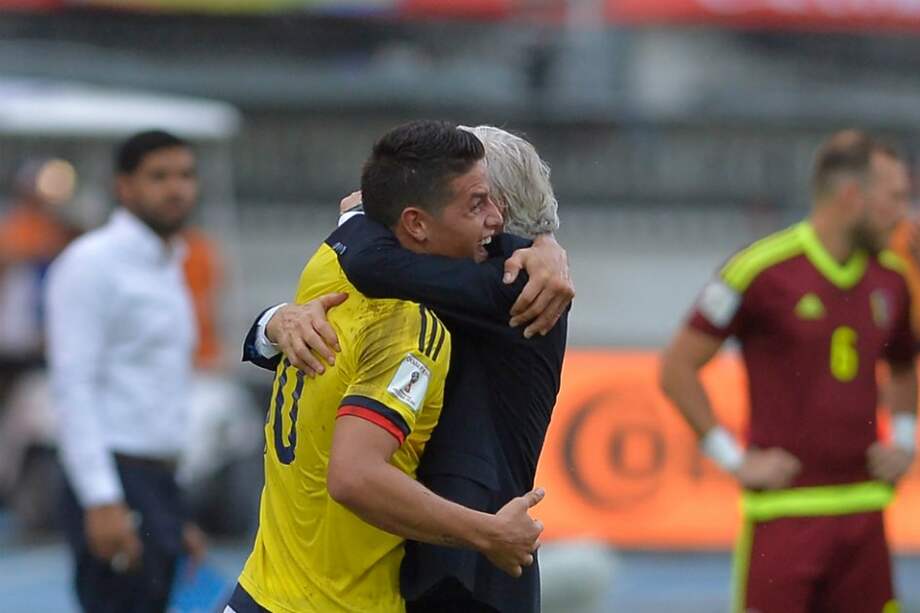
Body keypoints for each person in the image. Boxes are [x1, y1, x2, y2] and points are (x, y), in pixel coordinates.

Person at [245, 124, 572, 612]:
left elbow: (368, 260)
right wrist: (276, 323)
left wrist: (357, 215)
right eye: (473, 201)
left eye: (487, 201)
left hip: (474, 571)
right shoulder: (414, 296)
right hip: (421, 555)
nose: (489, 215)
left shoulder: (513, 287)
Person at [659, 129, 917, 613]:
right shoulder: (761, 270)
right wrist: (734, 461)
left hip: (865, 515)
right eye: (895, 197)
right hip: (783, 517)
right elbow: (677, 368)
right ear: (851, 196)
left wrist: (905, 440)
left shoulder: (893, 278)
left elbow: (904, 364)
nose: (903, 212)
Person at [45, 130, 207, 613]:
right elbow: (74, 385)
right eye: (159, 176)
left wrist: (175, 510)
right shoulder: (92, 263)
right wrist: (101, 499)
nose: (176, 188)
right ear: (124, 186)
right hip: (115, 473)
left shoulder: (168, 264)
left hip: (158, 479)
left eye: (185, 175)